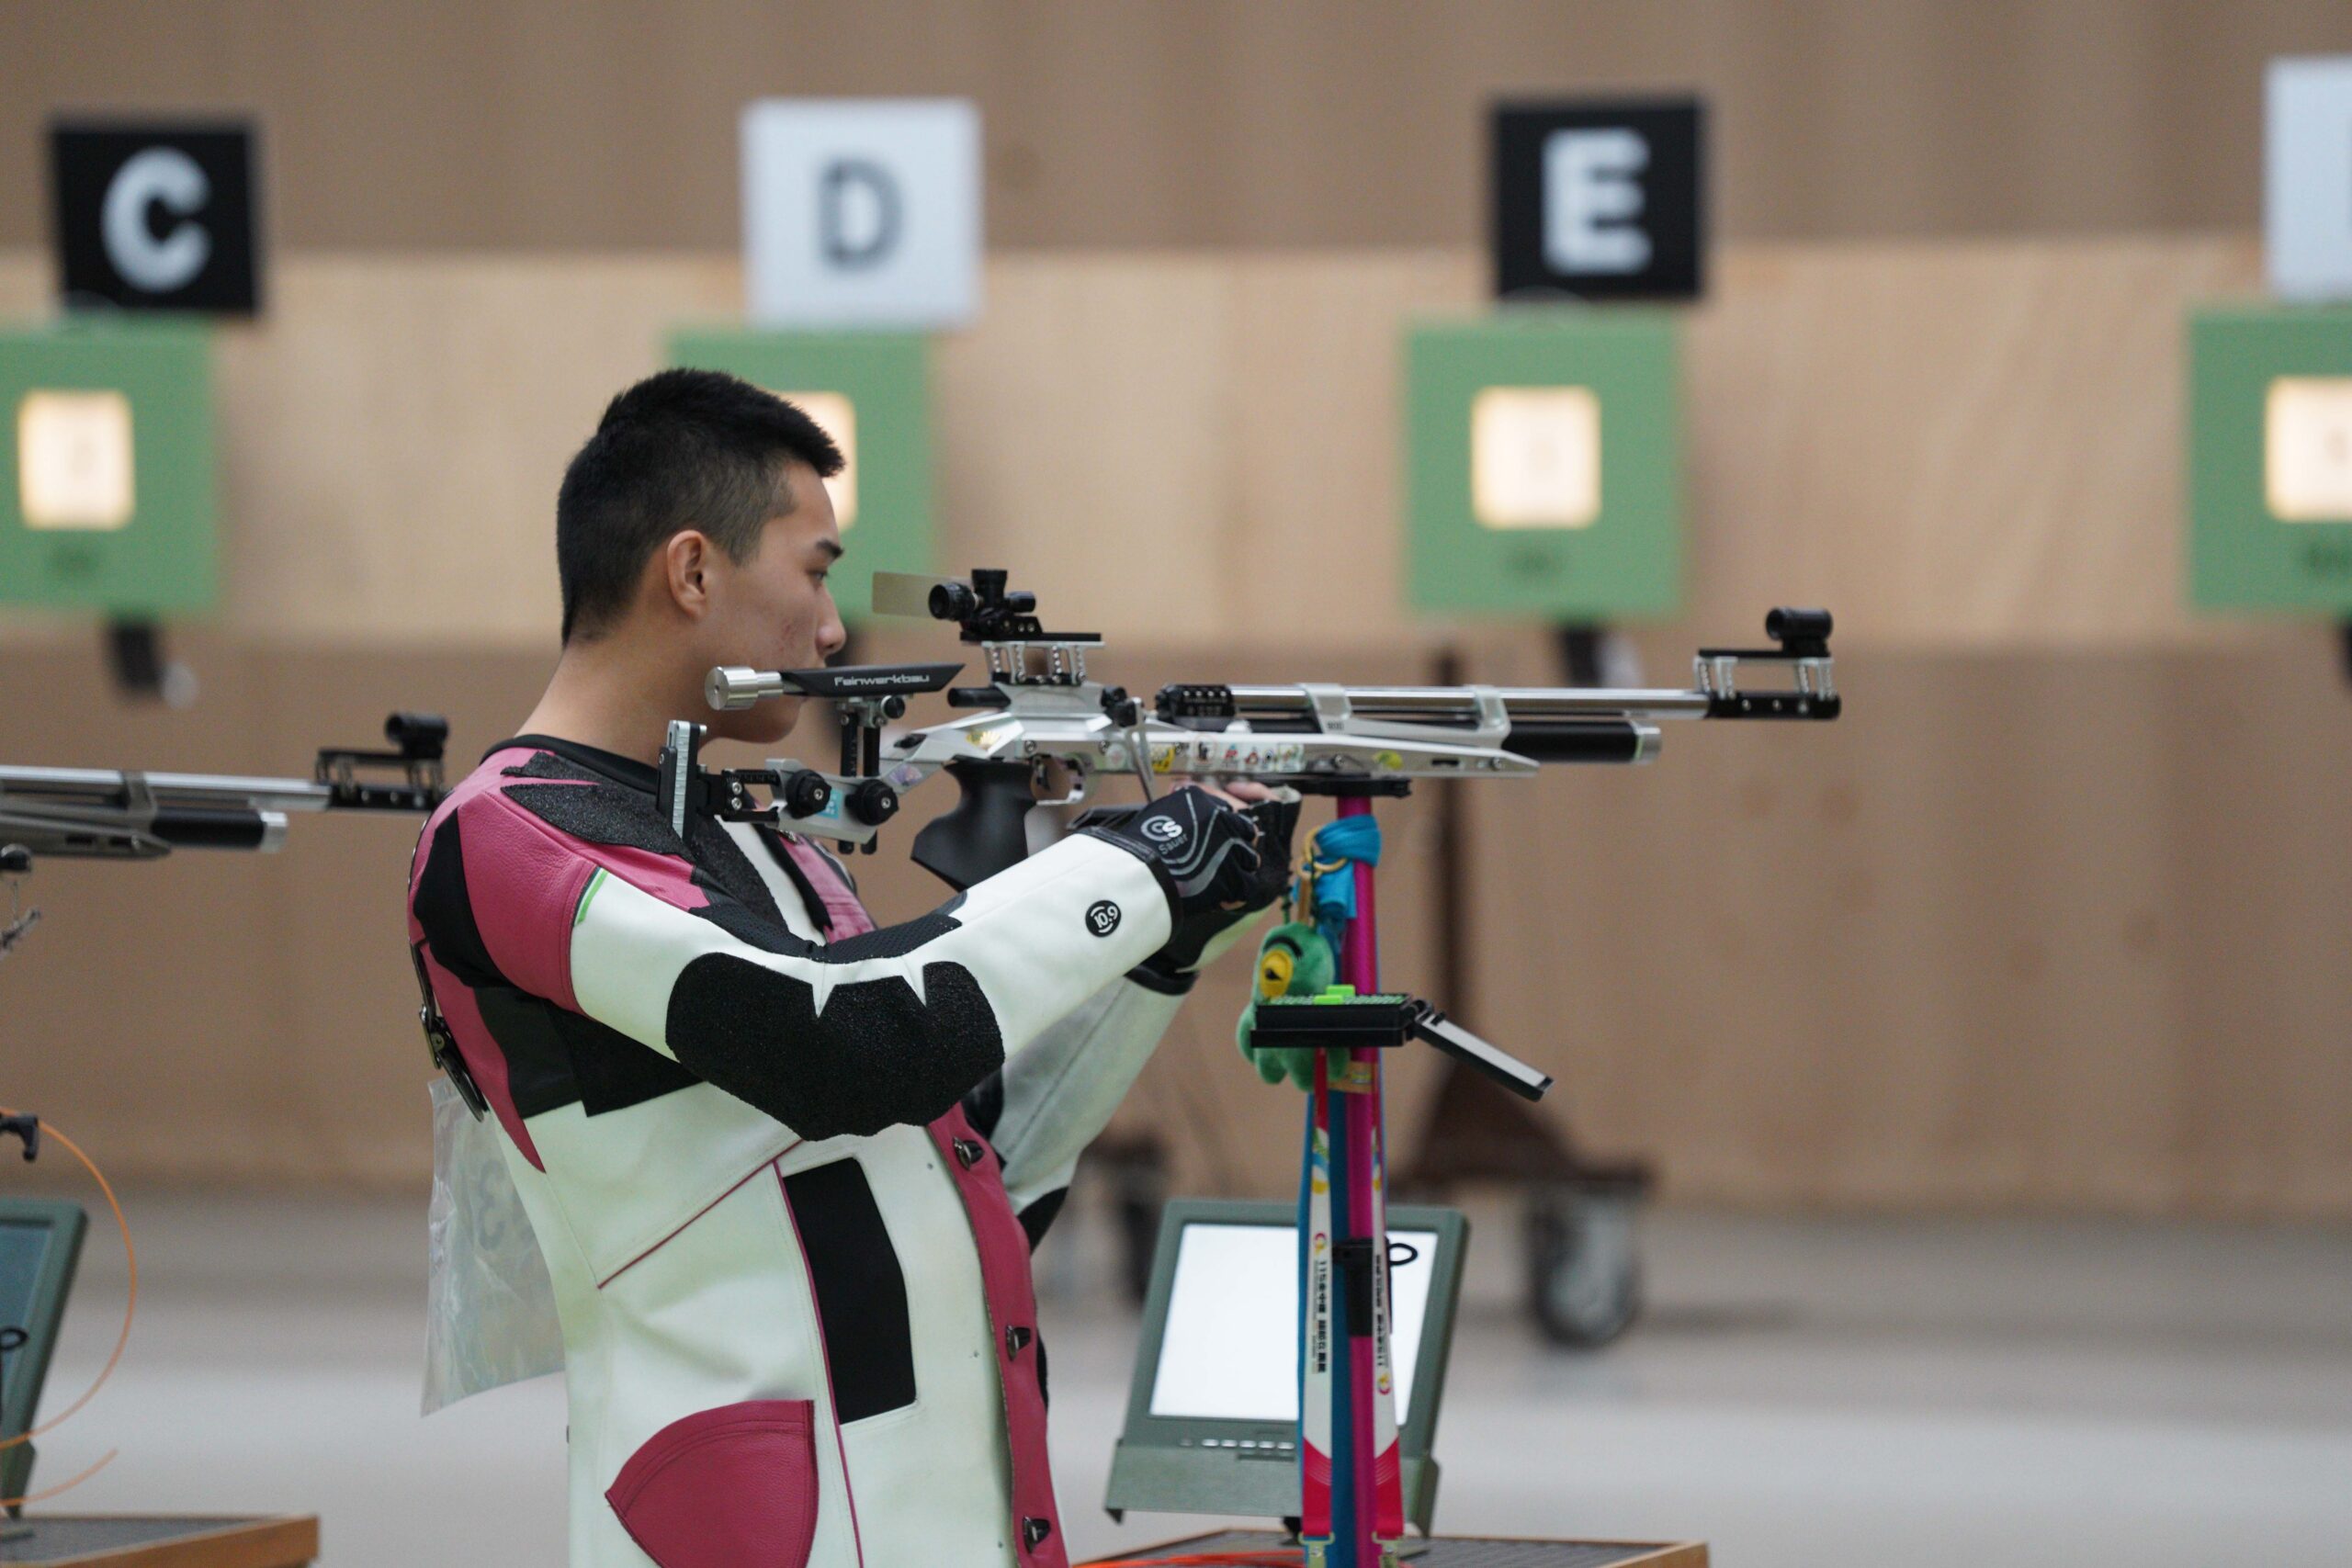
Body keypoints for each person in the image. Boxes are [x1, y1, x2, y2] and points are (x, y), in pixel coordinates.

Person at [405, 369, 1295, 1568]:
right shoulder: (510, 836)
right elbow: (843, 1044)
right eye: (815, 570)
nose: (833, 628)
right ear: (692, 571)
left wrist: (1158, 948)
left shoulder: (757, 839)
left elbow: (961, 1163)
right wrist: (1135, 868)